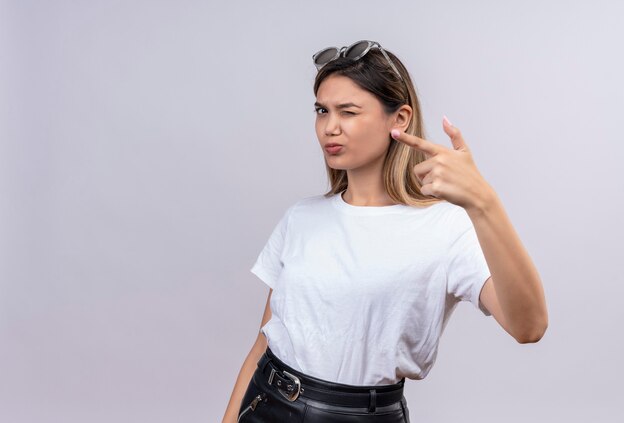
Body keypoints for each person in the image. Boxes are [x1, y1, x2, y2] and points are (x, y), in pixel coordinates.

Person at [222, 40, 548, 423]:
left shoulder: (446, 227)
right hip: (266, 403)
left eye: (348, 111)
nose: (330, 127)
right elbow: (264, 343)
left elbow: (529, 326)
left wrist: (484, 203)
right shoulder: (301, 218)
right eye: (322, 110)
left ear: (400, 118)